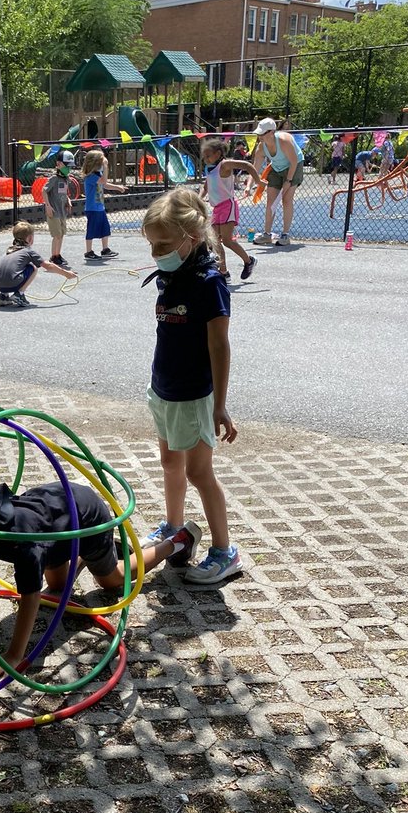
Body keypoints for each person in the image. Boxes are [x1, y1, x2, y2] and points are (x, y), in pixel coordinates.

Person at [0, 483, 201, 683]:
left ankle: (173, 544)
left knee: (112, 581)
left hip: (85, 518)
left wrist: (15, 655)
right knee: (60, 587)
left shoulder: (23, 547)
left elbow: (31, 596)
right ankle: (90, 555)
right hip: (54, 522)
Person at [140, 189, 242, 585]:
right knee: (169, 464)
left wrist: (220, 404)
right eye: (151, 244)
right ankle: (174, 527)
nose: (155, 252)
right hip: (163, 386)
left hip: (195, 394)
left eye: (163, 244)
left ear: (192, 237)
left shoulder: (208, 283)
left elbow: (219, 344)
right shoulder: (170, 274)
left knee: (200, 473)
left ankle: (224, 551)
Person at [200, 137, 261, 282]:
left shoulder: (225, 165)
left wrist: (257, 181)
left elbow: (247, 165)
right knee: (214, 241)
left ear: (218, 153)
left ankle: (248, 261)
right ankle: (224, 271)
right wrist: (199, 197)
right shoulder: (210, 169)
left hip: (228, 206)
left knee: (227, 240)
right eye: (204, 157)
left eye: (208, 156)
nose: (206, 159)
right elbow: (206, 186)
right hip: (217, 208)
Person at [0, 222, 76, 309]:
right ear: (30, 238)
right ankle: (19, 294)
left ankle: (3, 296)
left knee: (12, 268)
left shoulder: (9, 250)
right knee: (33, 267)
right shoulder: (28, 251)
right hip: (12, 283)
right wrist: (66, 274)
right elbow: (48, 266)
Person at [251, 117, 304, 246]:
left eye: (262, 133)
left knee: (286, 199)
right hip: (276, 167)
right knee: (271, 201)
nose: (259, 136)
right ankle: (267, 235)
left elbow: (293, 161)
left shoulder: (284, 141)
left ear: (271, 132)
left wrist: (289, 180)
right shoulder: (261, 147)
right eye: (259, 133)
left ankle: (285, 235)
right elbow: (254, 168)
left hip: (294, 166)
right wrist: (249, 186)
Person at [82, 148, 126, 261]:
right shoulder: (90, 177)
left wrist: (117, 187)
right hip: (92, 208)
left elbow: (105, 184)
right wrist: (106, 166)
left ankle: (105, 249)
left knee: (105, 228)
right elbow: (104, 181)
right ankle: (88, 251)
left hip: (100, 207)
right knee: (91, 229)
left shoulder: (98, 175)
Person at [42, 150, 75, 267]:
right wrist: (48, 206)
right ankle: (53, 256)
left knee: (61, 234)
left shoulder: (65, 179)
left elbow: (64, 193)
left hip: (62, 212)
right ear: (59, 164)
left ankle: (58, 254)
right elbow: (44, 191)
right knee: (56, 235)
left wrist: (68, 201)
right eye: (67, 166)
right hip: (54, 211)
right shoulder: (54, 179)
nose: (69, 169)